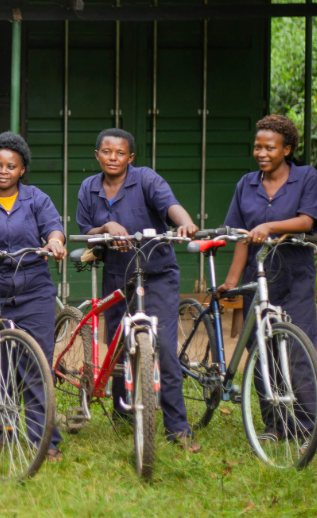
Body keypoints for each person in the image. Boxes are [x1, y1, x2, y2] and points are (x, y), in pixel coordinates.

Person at [75, 128, 201, 453]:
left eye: (120, 153)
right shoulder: (89, 188)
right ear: (97, 155)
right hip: (117, 275)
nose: (113, 158)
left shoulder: (146, 179)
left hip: (156, 273)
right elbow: (86, 232)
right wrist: (104, 228)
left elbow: (171, 206)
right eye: (106, 152)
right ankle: (123, 415)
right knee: (118, 344)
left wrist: (185, 223)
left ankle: (178, 428)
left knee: (162, 348)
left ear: (130, 157)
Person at [217, 114, 317, 453]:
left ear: (288, 149)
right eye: (257, 147)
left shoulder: (306, 178)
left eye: (270, 147)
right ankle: (274, 426)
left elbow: (308, 220)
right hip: (260, 275)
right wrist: (232, 283)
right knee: (261, 351)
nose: (262, 153)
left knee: (297, 354)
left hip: (294, 275)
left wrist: (270, 226)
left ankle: (312, 433)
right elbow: (241, 237)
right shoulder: (246, 184)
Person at [0, 131, 67, 462]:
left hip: (35, 288)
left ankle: (44, 437)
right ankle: (3, 430)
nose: (3, 171)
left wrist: (56, 242)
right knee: (0, 363)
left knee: (37, 363)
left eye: (11, 166)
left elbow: (53, 228)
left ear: (22, 170)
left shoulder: (36, 198)